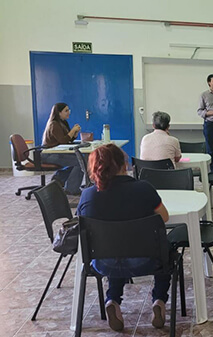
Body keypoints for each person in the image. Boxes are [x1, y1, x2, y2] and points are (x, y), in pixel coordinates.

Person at [77, 144, 171, 331]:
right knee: (166, 249)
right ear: (124, 165)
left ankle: (112, 299)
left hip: (102, 263)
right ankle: (159, 300)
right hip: (146, 261)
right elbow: (165, 217)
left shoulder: (88, 196)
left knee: (114, 247)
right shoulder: (144, 189)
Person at [41, 102, 83, 195]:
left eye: (69, 110)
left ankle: (59, 178)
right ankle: (71, 189)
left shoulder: (63, 123)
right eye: (66, 111)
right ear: (59, 113)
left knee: (80, 160)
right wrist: (72, 131)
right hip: (49, 155)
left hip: (57, 153)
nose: (68, 112)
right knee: (80, 162)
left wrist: (74, 134)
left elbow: (67, 140)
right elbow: (63, 141)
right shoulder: (54, 124)